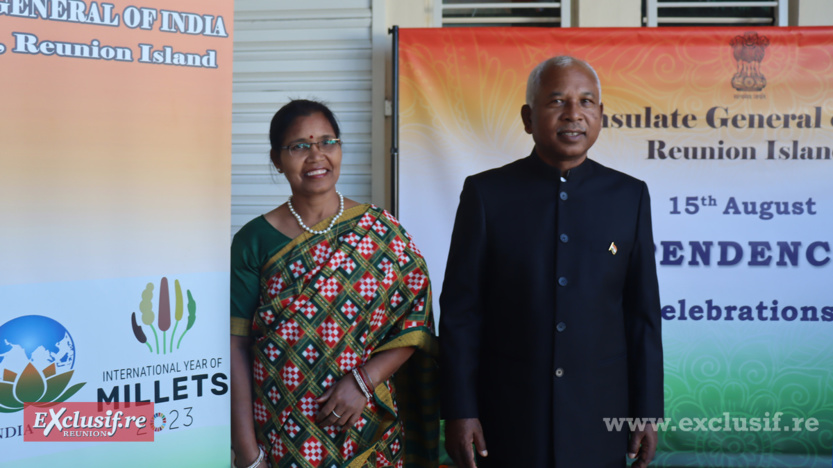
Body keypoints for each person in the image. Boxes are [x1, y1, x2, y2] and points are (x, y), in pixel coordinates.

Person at [439, 56, 664, 468]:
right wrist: (460, 410)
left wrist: (647, 411)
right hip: (508, 416)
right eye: (557, 101)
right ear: (528, 118)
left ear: (601, 115)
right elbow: (461, 313)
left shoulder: (630, 196)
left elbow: (642, 315)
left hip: (599, 416)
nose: (573, 114)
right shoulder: (486, 195)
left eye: (586, 102)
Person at [230, 99, 438, 468]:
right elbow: (236, 345)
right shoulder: (253, 241)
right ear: (277, 159)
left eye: (327, 142)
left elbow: (413, 322)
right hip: (279, 431)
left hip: (365, 425)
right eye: (299, 146)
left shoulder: (381, 232)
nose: (316, 156)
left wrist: (363, 381)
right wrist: (247, 452)